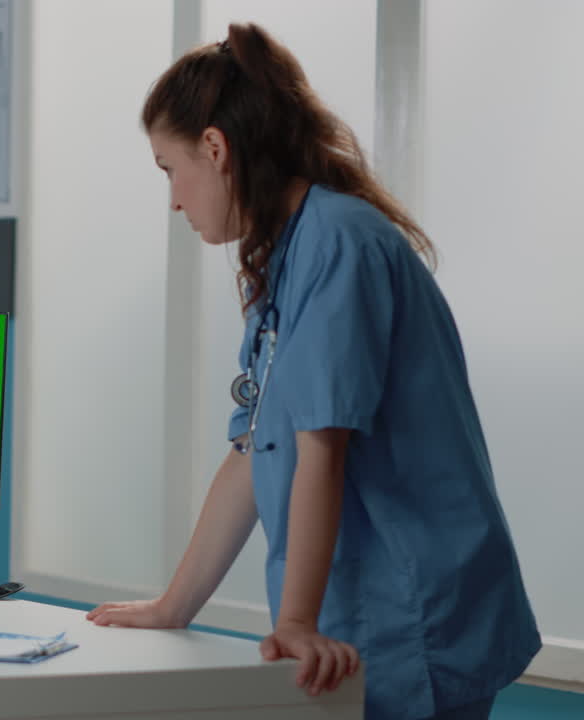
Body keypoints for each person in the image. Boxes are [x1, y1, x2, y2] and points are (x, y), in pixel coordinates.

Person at [86, 24, 539, 720]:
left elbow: (320, 450)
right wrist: (173, 606)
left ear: (215, 148)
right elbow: (254, 450)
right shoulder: (287, 256)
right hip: (364, 616)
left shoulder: (340, 244)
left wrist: (295, 622)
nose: (173, 199)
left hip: (414, 613)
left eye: (169, 169)